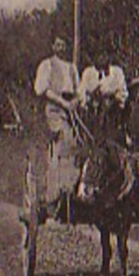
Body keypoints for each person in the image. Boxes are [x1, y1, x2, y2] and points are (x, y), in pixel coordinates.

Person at [33, 36, 81, 206]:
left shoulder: (71, 67)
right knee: (63, 140)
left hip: (72, 111)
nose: (61, 48)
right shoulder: (47, 65)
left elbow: (79, 90)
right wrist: (63, 103)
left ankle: (77, 185)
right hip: (54, 110)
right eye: (58, 44)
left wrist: (75, 102)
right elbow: (42, 90)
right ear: (53, 46)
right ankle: (57, 188)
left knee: (79, 142)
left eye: (63, 44)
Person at [81, 47, 130, 142]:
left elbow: (123, 91)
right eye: (98, 55)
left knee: (112, 136)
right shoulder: (88, 73)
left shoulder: (116, 72)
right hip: (93, 109)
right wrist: (89, 100)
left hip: (113, 110)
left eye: (104, 55)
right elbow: (82, 92)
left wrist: (113, 100)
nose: (102, 58)